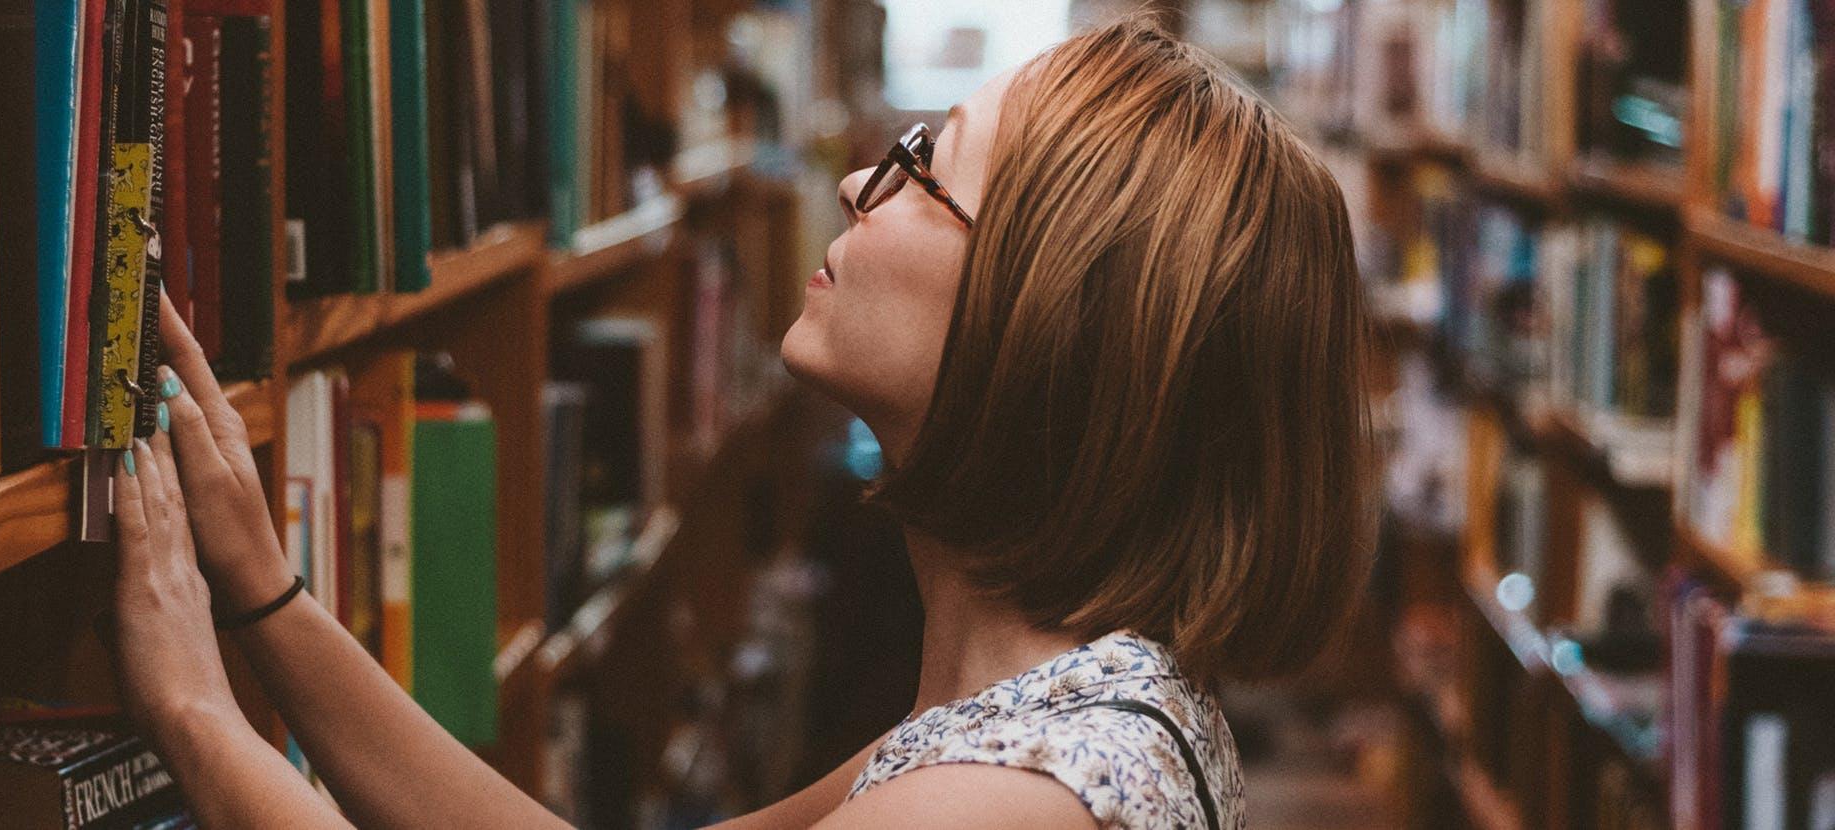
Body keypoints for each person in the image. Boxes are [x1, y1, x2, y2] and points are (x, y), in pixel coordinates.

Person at [105, 16, 1374, 829]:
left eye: (923, 166)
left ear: (1048, 318)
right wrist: (267, 598)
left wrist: (197, 717)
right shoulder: (1034, 710)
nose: (853, 182)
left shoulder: (998, 800)